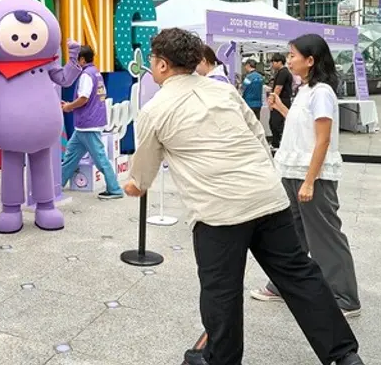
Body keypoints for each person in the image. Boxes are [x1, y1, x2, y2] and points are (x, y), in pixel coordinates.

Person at [124, 28, 364, 365]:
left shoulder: (154, 109)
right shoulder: (224, 93)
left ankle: (220, 359)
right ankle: (344, 356)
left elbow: (141, 176)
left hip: (219, 213)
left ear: (162, 65)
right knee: (299, 274)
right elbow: (256, 136)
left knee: (221, 291)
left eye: (152, 59)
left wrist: (132, 184)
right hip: (268, 197)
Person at [250, 34, 361, 318]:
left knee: (324, 235)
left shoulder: (322, 91)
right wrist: (280, 108)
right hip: (292, 171)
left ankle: (344, 296)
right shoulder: (305, 90)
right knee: (293, 234)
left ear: (310, 60)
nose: (288, 60)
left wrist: (310, 181)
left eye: (292, 55)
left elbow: (322, 140)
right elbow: (303, 127)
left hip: (312, 175)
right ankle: (282, 285)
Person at [61, 45, 123, 199]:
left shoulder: (85, 75)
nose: (74, 63)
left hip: (88, 124)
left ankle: (115, 189)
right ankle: (57, 186)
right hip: (87, 125)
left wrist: (69, 106)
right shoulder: (96, 73)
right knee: (70, 155)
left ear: (82, 59)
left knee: (100, 158)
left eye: (76, 60)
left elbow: (84, 98)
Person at [269, 53, 293, 148]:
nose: (272, 65)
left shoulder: (283, 72)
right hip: (282, 100)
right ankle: (277, 142)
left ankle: (278, 143)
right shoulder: (282, 72)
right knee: (275, 122)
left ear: (279, 62)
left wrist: (272, 101)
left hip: (281, 100)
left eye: (273, 62)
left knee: (276, 123)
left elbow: (278, 88)